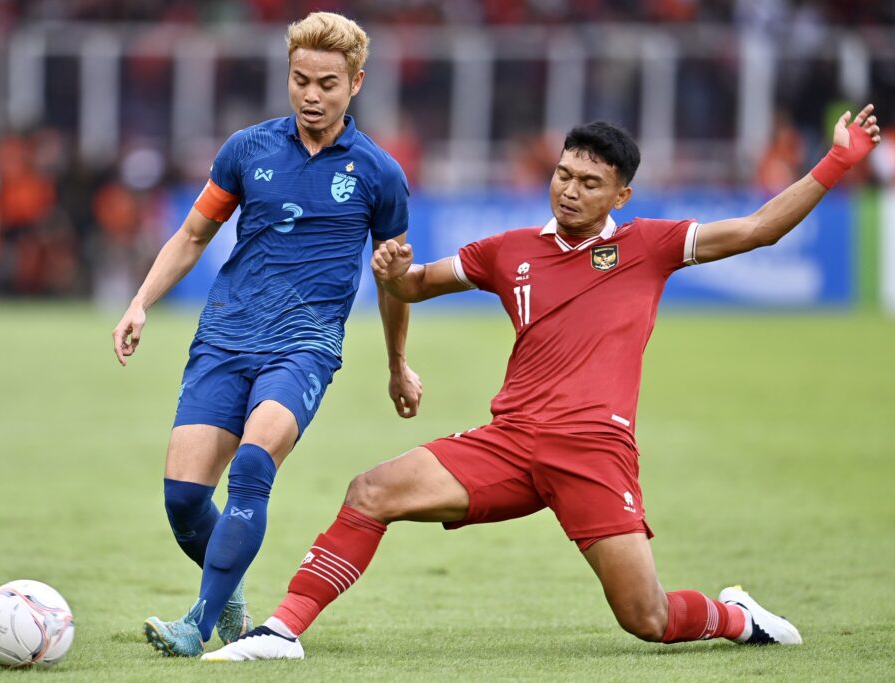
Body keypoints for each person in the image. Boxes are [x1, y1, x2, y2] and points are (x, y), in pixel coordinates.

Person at [200, 105, 881, 662]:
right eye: (563, 174)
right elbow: (417, 283)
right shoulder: (510, 251)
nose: (570, 190)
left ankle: (737, 617)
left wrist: (836, 161)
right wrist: (393, 273)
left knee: (645, 617)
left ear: (621, 195)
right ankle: (282, 631)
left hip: (593, 451)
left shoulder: (648, 245)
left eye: (590, 181)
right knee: (371, 491)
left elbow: (759, 229)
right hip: (512, 442)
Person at [110, 12, 422, 657]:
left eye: (328, 84)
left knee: (253, 465)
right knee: (183, 500)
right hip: (225, 335)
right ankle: (229, 595)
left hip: (305, 345)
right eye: (301, 79)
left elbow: (394, 282)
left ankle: (197, 624)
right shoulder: (247, 150)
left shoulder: (379, 173)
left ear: (355, 83)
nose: (312, 95)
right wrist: (140, 302)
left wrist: (397, 364)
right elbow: (192, 234)